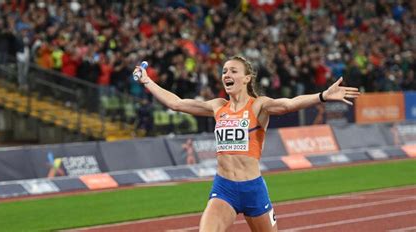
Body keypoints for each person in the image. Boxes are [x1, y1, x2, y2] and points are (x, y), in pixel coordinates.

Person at [133, 56, 359, 232]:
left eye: (233, 71)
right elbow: (177, 103)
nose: (226, 74)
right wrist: (147, 81)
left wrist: (322, 96)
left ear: (247, 78)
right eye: (224, 71)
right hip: (224, 189)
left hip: (253, 190)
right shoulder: (217, 106)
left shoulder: (258, 106)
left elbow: (288, 104)